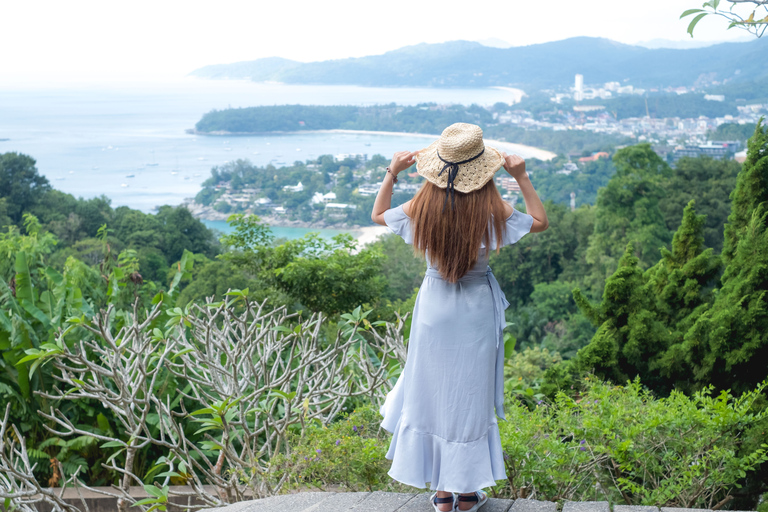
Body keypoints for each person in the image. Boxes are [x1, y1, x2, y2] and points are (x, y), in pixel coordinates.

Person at [371, 123, 548, 512]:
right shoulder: (491, 208)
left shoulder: (422, 206)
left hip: (435, 307)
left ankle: (441, 493)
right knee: (469, 395)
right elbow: (538, 222)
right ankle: (466, 494)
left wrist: (392, 171)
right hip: (476, 310)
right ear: (482, 169)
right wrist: (521, 177)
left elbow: (378, 213)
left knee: (431, 391)